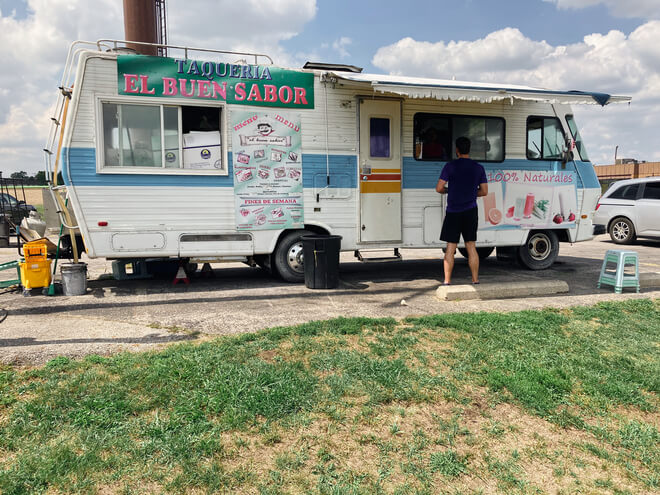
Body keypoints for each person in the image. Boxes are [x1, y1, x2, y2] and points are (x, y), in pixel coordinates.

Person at [435, 136, 488, 285]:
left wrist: (449, 190)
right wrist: (471, 193)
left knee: (450, 248)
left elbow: (439, 188)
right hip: (470, 211)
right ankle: (475, 279)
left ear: (457, 150)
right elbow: (484, 191)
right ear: (468, 150)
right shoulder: (478, 168)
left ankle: (447, 281)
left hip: (453, 212)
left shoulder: (450, 166)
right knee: (471, 246)